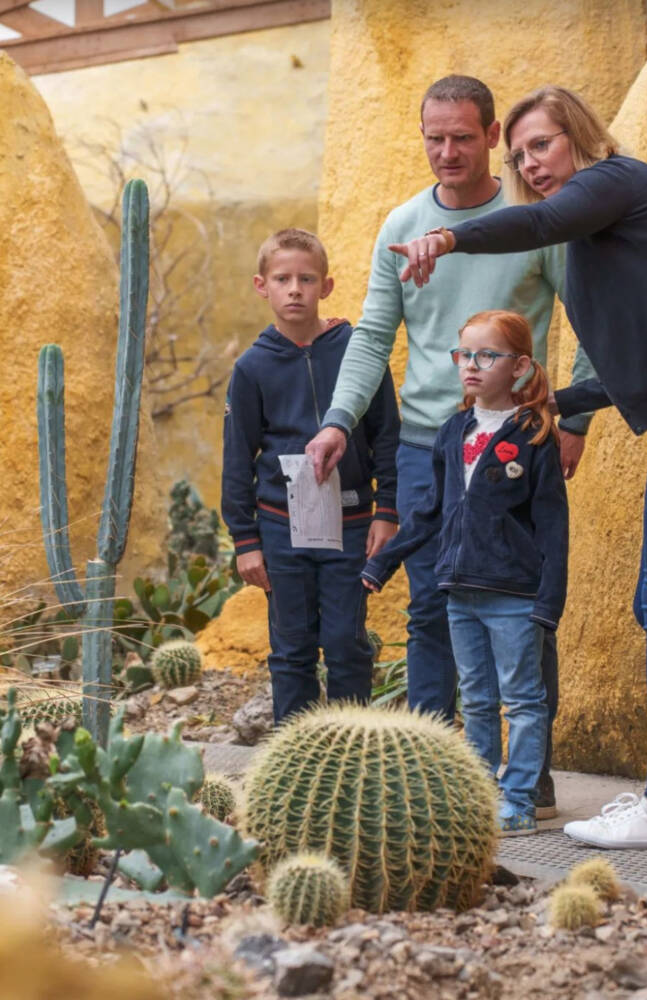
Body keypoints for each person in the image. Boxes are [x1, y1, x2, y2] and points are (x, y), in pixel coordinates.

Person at [391, 84, 647, 849]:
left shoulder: (615, 182)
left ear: (576, 136)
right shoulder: (596, 234)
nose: (530, 165)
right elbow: (635, 361)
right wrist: (554, 402)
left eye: (541, 145)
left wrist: (449, 238)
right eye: (521, 155)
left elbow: (537, 219)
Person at [307, 75, 597, 820]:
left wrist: (571, 420)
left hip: (516, 437)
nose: (446, 151)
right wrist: (339, 419)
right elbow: (373, 336)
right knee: (431, 605)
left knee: (524, 608)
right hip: (428, 445)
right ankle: (442, 777)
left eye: (462, 137)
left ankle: (526, 779)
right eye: (433, 137)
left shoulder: (534, 221)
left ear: (492, 135)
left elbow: (591, 316)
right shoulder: (401, 224)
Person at [361, 309, 568, 836]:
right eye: (463, 355)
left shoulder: (534, 434)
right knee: (475, 699)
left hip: (514, 596)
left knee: (523, 701)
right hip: (459, 591)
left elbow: (552, 528)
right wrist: (383, 562)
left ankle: (518, 800)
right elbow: (430, 510)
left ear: (519, 366)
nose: (470, 366)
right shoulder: (454, 431)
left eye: (486, 355)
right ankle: (478, 796)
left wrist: (549, 602)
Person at [221, 228, 400, 723]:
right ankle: (296, 763)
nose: (295, 289)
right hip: (281, 527)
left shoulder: (357, 352)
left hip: (352, 522)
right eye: (283, 279)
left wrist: (387, 510)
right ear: (262, 286)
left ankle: (350, 754)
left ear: (327, 285)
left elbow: (386, 434)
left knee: (346, 643)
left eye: (306, 278)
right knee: (292, 649)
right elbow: (237, 458)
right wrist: (246, 540)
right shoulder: (252, 367)